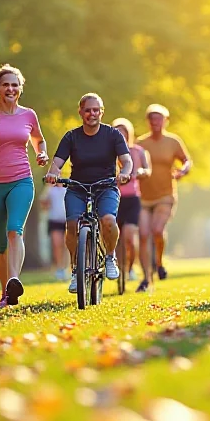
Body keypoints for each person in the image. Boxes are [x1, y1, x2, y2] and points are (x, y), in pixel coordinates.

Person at [0, 64, 48, 308]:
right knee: (0, 243)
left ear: (20, 88)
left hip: (21, 180)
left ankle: (14, 279)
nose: (10, 88)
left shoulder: (28, 115)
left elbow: (39, 140)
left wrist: (41, 154)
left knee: (15, 230)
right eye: (5, 84)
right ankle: (6, 292)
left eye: (15, 85)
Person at [45, 93, 132, 293]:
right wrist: (52, 174)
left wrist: (125, 173)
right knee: (72, 224)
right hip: (78, 188)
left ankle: (110, 257)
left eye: (96, 110)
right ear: (81, 112)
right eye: (87, 110)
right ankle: (76, 270)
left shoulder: (113, 135)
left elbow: (126, 161)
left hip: (106, 186)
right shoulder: (71, 137)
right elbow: (57, 163)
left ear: (101, 112)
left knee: (108, 220)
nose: (92, 114)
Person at [137, 104, 191, 283]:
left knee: (157, 230)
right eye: (152, 119)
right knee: (144, 234)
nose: (155, 122)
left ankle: (158, 263)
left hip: (165, 195)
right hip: (143, 196)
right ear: (148, 122)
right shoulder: (141, 144)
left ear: (165, 121)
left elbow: (186, 161)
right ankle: (146, 277)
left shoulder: (173, 141)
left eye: (159, 119)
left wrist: (183, 170)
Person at [112, 118, 152, 292]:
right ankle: (120, 271)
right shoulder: (109, 153)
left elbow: (147, 169)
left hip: (132, 199)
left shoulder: (138, 151)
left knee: (129, 235)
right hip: (114, 198)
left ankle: (130, 267)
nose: (122, 135)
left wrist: (141, 172)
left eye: (124, 132)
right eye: (118, 131)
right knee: (116, 239)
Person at [40, 182, 68, 281]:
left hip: (67, 220)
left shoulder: (67, 188)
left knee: (66, 245)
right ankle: (59, 268)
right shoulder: (50, 190)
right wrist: (48, 186)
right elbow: (43, 203)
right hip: (54, 220)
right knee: (57, 244)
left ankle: (66, 267)